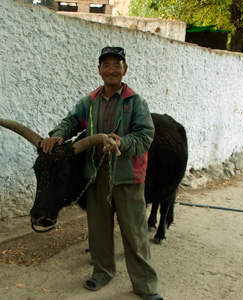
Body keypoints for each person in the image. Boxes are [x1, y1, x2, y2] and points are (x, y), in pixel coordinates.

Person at [40, 47, 163, 300]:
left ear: (124, 70)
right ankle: (102, 273)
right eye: (106, 65)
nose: (111, 69)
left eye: (117, 65)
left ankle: (146, 285)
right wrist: (58, 134)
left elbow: (145, 136)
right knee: (98, 230)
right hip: (96, 176)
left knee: (135, 234)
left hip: (127, 176)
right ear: (99, 70)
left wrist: (122, 143)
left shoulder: (135, 102)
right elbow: (72, 121)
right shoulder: (90, 101)